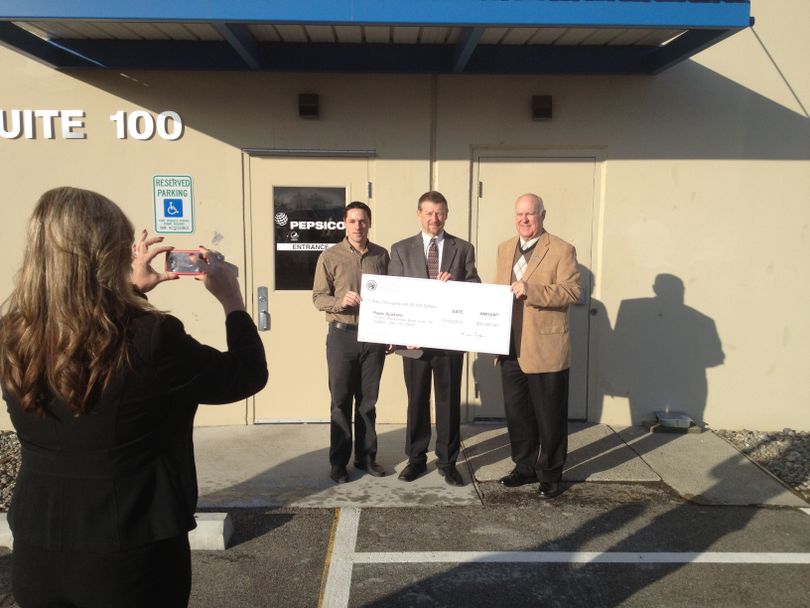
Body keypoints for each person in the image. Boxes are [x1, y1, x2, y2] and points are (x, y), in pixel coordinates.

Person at [0, 187, 268, 607]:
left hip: (39, 548)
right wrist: (232, 301)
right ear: (108, 252)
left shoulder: (13, 333)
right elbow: (245, 376)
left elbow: (89, 350)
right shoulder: (151, 337)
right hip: (130, 550)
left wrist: (133, 292)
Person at [388, 191, 480, 486]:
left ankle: (448, 461)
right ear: (419, 214)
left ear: (447, 214)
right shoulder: (401, 249)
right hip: (413, 342)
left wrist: (456, 284)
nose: (434, 219)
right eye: (428, 213)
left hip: (449, 341)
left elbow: (476, 284)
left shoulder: (462, 248)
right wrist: (400, 335)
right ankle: (416, 460)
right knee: (417, 401)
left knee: (448, 402)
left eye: (439, 213)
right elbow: (394, 294)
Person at [495, 193, 581, 499]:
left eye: (530, 214)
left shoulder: (561, 249)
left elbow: (572, 292)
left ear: (542, 215)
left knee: (549, 416)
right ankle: (524, 467)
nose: (524, 220)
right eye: (519, 214)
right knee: (518, 414)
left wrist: (532, 290)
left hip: (546, 349)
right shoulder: (505, 249)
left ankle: (551, 473)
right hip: (509, 348)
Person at [312, 201, 390, 484]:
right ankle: (338, 463)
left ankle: (366, 457)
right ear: (345, 223)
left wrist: (391, 333)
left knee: (367, 403)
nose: (358, 225)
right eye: (353, 221)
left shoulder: (381, 255)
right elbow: (318, 297)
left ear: (370, 223)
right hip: (341, 336)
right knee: (341, 401)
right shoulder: (330, 256)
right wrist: (339, 301)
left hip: (373, 338)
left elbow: (392, 295)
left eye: (363, 220)